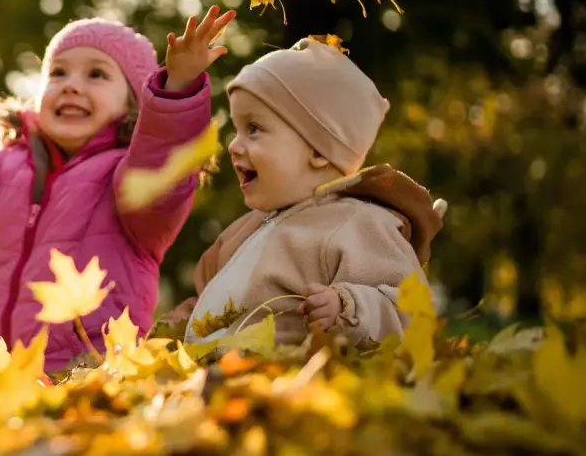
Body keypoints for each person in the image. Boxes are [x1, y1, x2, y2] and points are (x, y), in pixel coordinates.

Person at [0, 6, 236, 371]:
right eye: (58, 73)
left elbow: (161, 163)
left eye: (96, 75)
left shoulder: (128, 178)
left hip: (81, 372)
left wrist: (177, 90)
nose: (71, 85)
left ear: (133, 103)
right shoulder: (5, 167)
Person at [164, 38, 448, 348]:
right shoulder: (244, 231)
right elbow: (214, 304)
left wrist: (348, 308)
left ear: (318, 151)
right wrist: (178, 325)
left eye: (254, 128)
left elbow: (411, 309)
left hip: (289, 385)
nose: (233, 145)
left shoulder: (358, 224)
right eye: (237, 129)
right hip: (222, 384)